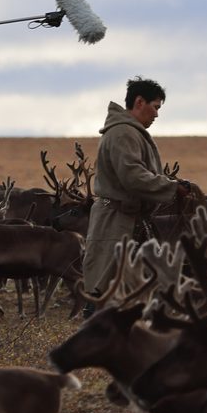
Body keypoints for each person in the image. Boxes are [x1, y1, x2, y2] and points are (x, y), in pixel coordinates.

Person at [81, 77, 196, 309]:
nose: (156, 115)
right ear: (140, 102)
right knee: (106, 288)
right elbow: (132, 177)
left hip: (128, 220)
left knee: (127, 288)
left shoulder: (128, 132)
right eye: (155, 107)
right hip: (116, 221)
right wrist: (172, 187)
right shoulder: (123, 133)